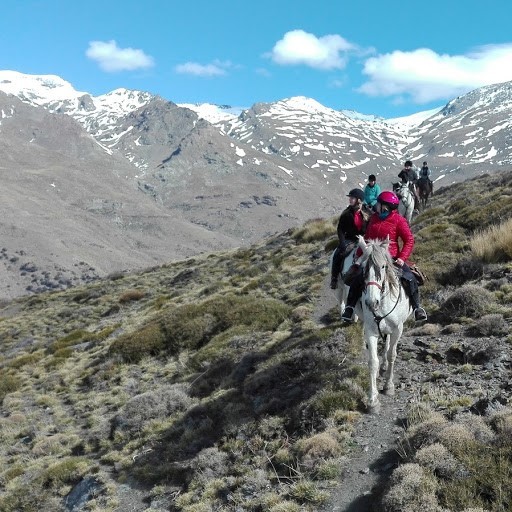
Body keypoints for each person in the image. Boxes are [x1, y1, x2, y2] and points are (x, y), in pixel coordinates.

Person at [341, 190, 428, 322]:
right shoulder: (374, 218)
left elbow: (409, 240)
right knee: (358, 277)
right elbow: (367, 237)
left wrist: (402, 258)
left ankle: (417, 308)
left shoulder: (399, 220)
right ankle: (350, 307)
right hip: (372, 256)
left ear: (385, 206)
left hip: (391, 258)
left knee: (409, 277)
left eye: (379, 203)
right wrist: (358, 256)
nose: (376, 205)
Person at [330, 188, 368, 289]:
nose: (350, 200)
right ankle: (334, 278)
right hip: (350, 239)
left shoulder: (368, 212)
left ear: (359, 200)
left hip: (365, 240)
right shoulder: (346, 213)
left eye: (352, 198)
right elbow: (340, 229)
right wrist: (342, 243)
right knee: (338, 254)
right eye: (350, 198)